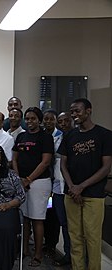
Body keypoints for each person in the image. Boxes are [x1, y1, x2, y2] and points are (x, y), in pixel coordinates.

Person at [58, 98, 112, 270]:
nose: (74, 115)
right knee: (75, 237)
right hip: (71, 194)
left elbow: (106, 168)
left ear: (89, 111)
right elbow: (63, 164)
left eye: (77, 111)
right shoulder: (69, 136)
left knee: (92, 237)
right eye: (72, 111)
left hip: (94, 195)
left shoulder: (104, 135)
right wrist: (73, 187)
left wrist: (82, 187)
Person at [12, 107, 54, 267]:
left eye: (33, 118)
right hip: (21, 182)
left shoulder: (45, 137)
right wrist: (19, 179)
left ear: (39, 120)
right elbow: (14, 159)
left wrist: (29, 179)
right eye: (27, 119)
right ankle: (25, 250)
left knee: (37, 218)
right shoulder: (21, 136)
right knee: (25, 218)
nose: (30, 121)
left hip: (39, 182)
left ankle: (38, 254)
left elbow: (45, 162)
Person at [42, 109, 63, 258]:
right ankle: (44, 242)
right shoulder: (41, 136)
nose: (48, 122)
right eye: (46, 119)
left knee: (53, 215)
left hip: (55, 182)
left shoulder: (60, 136)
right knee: (43, 213)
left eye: (51, 119)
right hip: (43, 181)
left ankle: (51, 244)